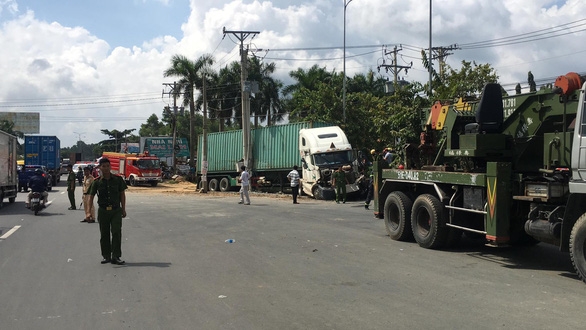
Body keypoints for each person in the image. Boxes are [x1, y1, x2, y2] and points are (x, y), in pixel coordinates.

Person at [88, 158, 128, 265]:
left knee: (116, 232)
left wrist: (123, 209)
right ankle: (106, 256)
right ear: (100, 168)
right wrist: (88, 212)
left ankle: (116, 256)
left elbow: (122, 195)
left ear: (110, 167)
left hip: (116, 210)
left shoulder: (118, 180)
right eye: (103, 166)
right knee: (104, 234)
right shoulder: (96, 182)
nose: (106, 168)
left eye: (107, 166)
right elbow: (91, 197)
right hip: (103, 211)